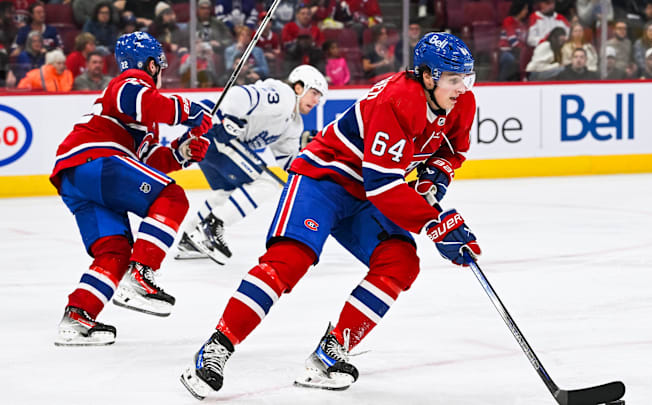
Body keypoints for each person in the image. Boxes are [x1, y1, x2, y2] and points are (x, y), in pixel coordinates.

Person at [179, 32, 481, 399]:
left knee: (400, 262)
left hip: (366, 192)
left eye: (467, 78)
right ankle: (215, 349)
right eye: (454, 79)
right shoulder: (396, 99)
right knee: (289, 261)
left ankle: (331, 351)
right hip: (323, 179)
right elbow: (383, 184)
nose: (462, 88)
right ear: (428, 76)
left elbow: (453, 152)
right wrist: (435, 224)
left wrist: (437, 176)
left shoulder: (462, 103)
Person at [50, 32, 212, 347]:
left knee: (115, 251)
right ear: (151, 64)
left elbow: (148, 161)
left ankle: (77, 317)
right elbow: (145, 100)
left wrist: (183, 150)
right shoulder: (131, 81)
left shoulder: (140, 117)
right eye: (160, 66)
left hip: (77, 177)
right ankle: (141, 274)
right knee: (172, 197)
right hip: (97, 160)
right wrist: (190, 111)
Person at [174, 65, 328, 264]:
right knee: (267, 182)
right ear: (299, 87)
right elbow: (239, 94)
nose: (316, 100)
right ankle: (212, 226)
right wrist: (229, 117)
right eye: (314, 93)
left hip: (212, 140)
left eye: (319, 96)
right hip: (214, 130)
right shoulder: (283, 95)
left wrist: (312, 158)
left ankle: (189, 237)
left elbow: (289, 163)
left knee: (227, 190)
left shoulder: (294, 124)